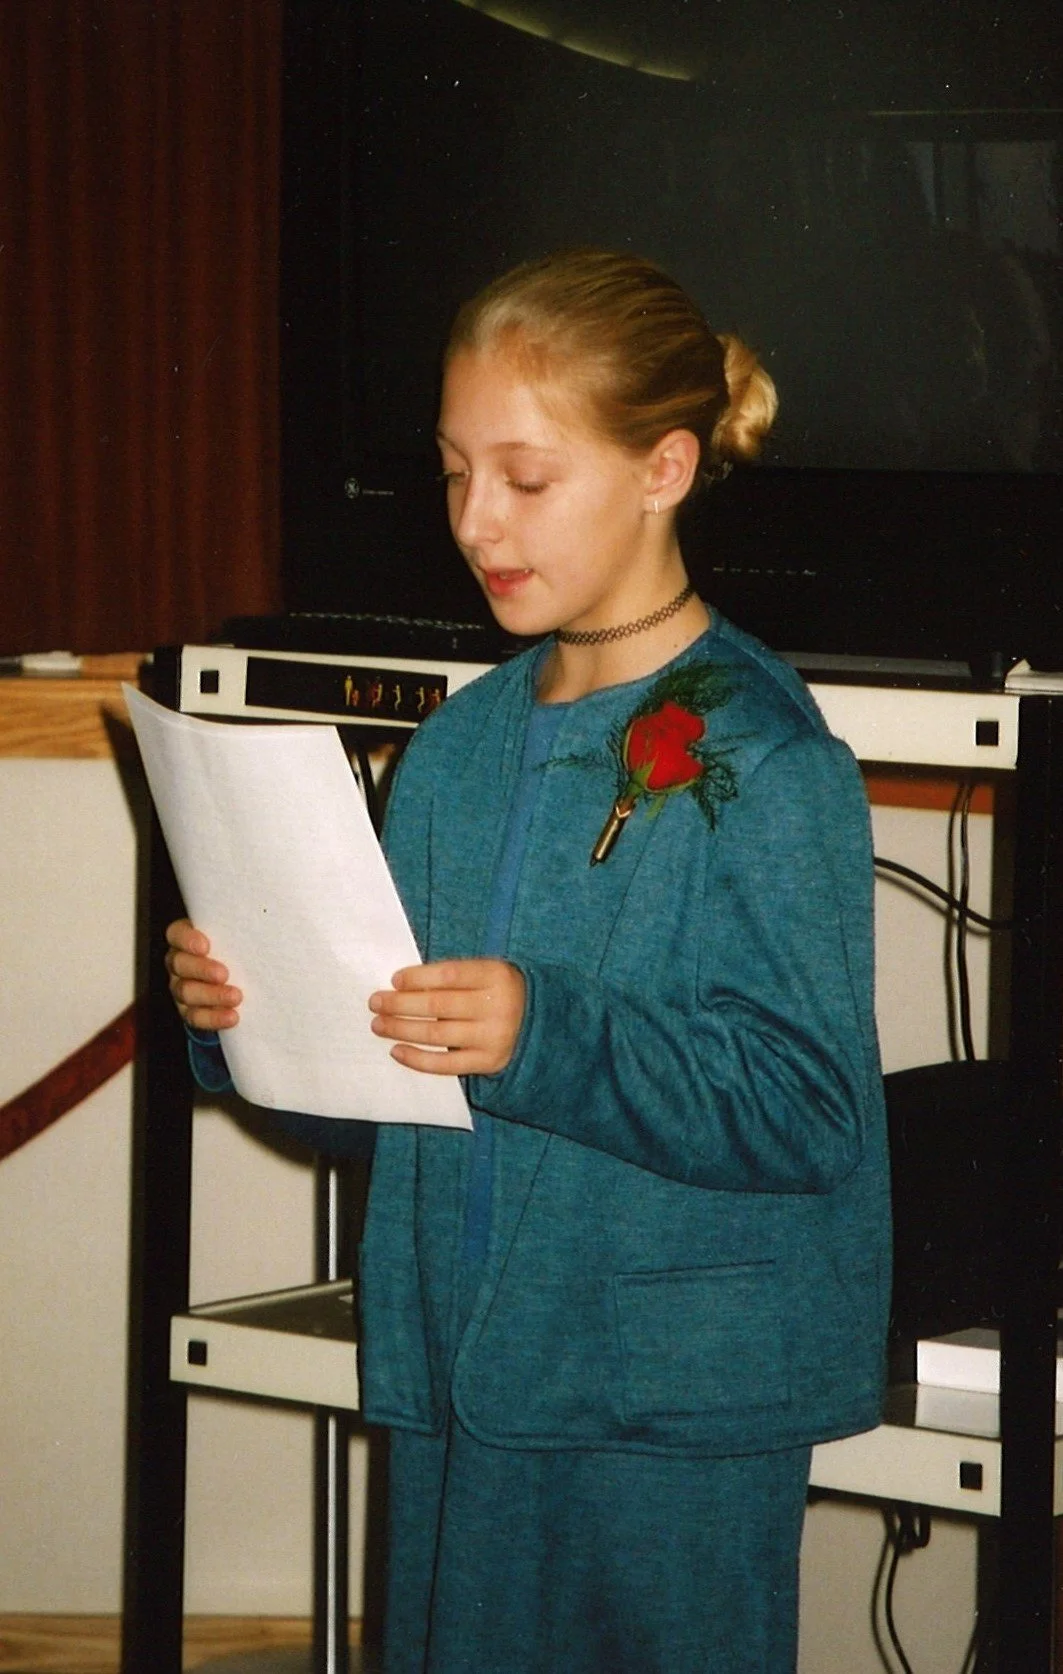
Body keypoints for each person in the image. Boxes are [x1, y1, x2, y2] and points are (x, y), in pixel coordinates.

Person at [166, 248, 891, 1674]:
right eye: (451, 473)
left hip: (666, 1414)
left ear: (663, 468)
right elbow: (386, 1097)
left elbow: (809, 1107)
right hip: (460, 1379)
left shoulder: (765, 753)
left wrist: (539, 1030)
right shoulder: (456, 748)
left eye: (524, 476)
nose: (474, 521)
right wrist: (250, 1020)